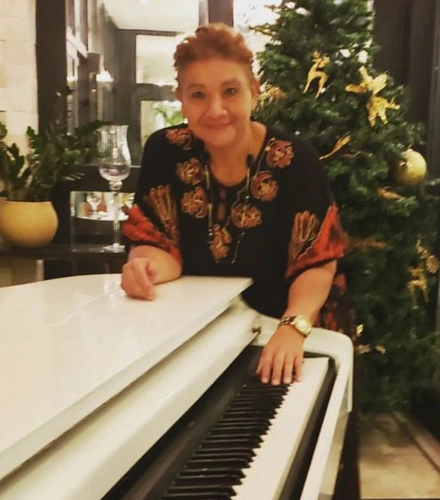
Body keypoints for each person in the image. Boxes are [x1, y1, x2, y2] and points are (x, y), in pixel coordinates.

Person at [121, 23, 352, 387]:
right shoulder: (164, 150)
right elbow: (159, 244)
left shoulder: (296, 159)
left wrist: (292, 328)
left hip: (290, 329)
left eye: (230, 91)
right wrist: (145, 268)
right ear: (180, 98)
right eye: (198, 95)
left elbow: (317, 263)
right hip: (200, 334)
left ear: (253, 91)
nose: (216, 110)